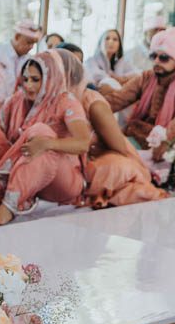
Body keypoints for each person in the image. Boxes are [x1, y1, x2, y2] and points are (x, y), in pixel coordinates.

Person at [0, 52, 90, 226]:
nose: (29, 86)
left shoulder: (66, 102)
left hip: (61, 179)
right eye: (25, 79)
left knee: (40, 130)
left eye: (36, 80)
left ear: (50, 78)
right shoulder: (15, 101)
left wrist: (47, 143)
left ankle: (9, 205)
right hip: (23, 173)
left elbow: (83, 143)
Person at [57, 49, 165, 209]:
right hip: (65, 163)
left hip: (100, 160)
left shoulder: (92, 103)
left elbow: (119, 147)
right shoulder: (46, 99)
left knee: (115, 167)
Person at [102, 27, 175, 149]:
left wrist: (164, 142)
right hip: (139, 135)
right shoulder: (147, 77)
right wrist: (87, 107)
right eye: (153, 56)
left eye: (164, 57)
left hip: (173, 144)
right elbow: (117, 99)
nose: (156, 61)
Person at [0, 19, 44, 100]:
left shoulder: (29, 60)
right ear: (17, 37)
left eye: (33, 44)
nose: (31, 47)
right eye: (28, 42)